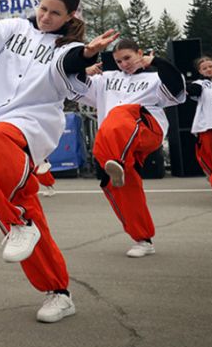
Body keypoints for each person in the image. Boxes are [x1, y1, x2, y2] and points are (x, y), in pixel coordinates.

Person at [0, 0, 119, 323]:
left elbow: (67, 65)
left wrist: (87, 55)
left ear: (71, 15)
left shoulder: (69, 46)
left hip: (29, 124)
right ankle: (58, 291)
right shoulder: (14, 27)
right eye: (43, 8)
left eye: (56, 13)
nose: (46, 16)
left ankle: (19, 223)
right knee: (14, 203)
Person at [69, 40, 185, 257]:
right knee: (119, 187)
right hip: (115, 142)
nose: (124, 64)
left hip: (147, 129)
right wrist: (82, 71)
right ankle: (143, 239)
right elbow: (69, 84)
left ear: (140, 53)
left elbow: (177, 87)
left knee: (121, 112)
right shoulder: (105, 79)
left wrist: (157, 61)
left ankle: (116, 161)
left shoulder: (154, 78)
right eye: (119, 61)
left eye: (128, 58)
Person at [187, 56, 212, 198]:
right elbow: (192, 91)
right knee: (208, 156)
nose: (208, 69)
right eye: (204, 68)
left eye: (210, 66)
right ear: (200, 71)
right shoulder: (200, 84)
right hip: (206, 126)